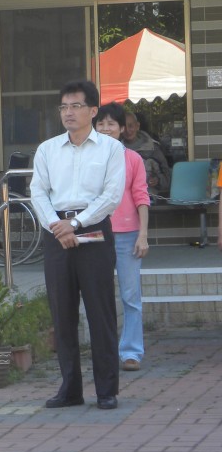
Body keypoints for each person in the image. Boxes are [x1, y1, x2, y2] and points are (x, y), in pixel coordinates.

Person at [30, 80, 125, 410]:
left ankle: (107, 390)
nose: (68, 112)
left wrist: (76, 224)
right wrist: (58, 227)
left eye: (76, 106)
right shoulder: (47, 150)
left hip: (93, 232)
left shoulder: (111, 149)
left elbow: (111, 196)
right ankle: (70, 389)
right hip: (56, 232)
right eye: (64, 107)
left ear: (93, 110)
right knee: (62, 314)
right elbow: (38, 192)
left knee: (101, 313)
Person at [95, 103, 151, 372]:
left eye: (111, 124)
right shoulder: (87, 159)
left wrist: (143, 235)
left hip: (128, 234)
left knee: (131, 296)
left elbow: (141, 196)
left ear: (121, 129)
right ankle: (103, 352)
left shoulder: (133, 159)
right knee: (98, 296)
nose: (106, 128)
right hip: (96, 233)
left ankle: (131, 352)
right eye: (101, 123)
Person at [122, 111, 171, 198]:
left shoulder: (153, 148)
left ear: (137, 126)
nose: (127, 130)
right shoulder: (116, 148)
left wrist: (157, 180)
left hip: (149, 197)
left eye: (130, 126)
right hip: (124, 198)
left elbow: (167, 178)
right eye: (124, 127)